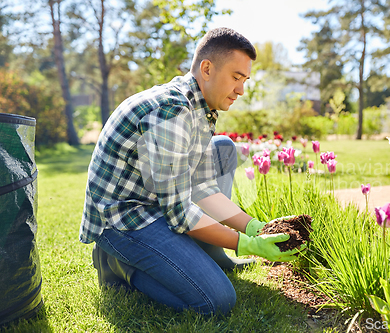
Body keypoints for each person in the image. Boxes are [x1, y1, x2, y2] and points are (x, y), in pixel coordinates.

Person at [80, 27, 305, 316]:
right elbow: (180, 214)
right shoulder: (171, 112)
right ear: (207, 68)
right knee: (216, 301)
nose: (241, 90)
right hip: (123, 219)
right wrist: (248, 244)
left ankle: (207, 256)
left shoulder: (199, 107)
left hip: (155, 206)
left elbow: (202, 188)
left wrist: (255, 228)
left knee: (222, 146)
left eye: (245, 80)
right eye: (236, 78)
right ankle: (121, 265)